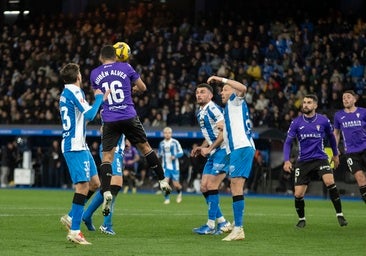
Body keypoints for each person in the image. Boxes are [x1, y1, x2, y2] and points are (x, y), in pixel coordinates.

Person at [90, 45, 171, 216]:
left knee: (107, 157)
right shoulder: (126, 67)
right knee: (145, 148)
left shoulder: (95, 73)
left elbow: (98, 96)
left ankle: (106, 192)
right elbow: (143, 88)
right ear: (117, 56)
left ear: (101, 57)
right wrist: (133, 89)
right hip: (128, 115)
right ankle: (162, 180)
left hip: (110, 119)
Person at [58, 62, 107, 245]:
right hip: (75, 146)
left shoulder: (65, 93)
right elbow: (89, 116)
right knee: (83, 187)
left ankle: (72, 217)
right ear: (78, 76)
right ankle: (75, 231)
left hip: (81, 145)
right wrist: (100, 99)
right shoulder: (75, 91)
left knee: (95, 183)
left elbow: (81, 118)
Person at [283, 94, 348, 228]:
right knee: (298, 194)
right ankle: (301, 219)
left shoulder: (323, 120)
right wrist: (286, 160)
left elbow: (331, 137)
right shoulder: (296, 122)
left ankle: (340, 215)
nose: (305, 105)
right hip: (303, 161)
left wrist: (335, 155)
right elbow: (288, 142)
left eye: (309, 102)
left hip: (320, 158)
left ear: (315, 105)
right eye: (304, 102)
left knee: (330, 181)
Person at [207, 75, 256, 241]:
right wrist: (210, 148)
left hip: (241, 148)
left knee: (236, 185)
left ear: (233, 91)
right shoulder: (229, 109)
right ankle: (236, 223)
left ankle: (238, 228)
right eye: (221, 90)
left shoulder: (236, 101)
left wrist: (221, 79)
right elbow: (225, 135)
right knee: (234, 185)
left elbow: (243, 88)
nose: (222, 92)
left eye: (225, 90)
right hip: (236, 150)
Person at [191, 83, 232, 235]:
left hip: (223, 150)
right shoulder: (200, 112)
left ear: (210, 96)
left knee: (211, 185)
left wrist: (210, 148)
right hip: (213, 151)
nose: (198, 95)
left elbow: (224, 132)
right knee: (204, 187)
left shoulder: (213, 109)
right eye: (197, 92)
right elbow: (210, 135)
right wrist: (201, 147)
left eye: (202, 92)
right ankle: (222, 222)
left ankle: (210, 225)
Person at [82, 131, 125, 236]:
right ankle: (106, 225)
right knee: (114, 185)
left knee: (110, 187)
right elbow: (104, 127)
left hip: (116, 148)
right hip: (112, 149)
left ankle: (87, 215)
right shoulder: (111, 115)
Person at [334, 90, 366, 203]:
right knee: (360, 178)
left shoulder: (363, 112)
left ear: (354, 99)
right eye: (343, 98)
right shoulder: (338, 115)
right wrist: (335, 148)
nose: (345, 99)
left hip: (365, 148)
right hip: (351, 152)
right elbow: (336, 133)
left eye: (348, 97)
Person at [158, 127, 184, 204]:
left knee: (176, 185)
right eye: (165, 133)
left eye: (169, 133)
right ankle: (167, 198)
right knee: (165, 183)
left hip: (175, 167)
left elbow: (181, 153)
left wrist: (175, 156)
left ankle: (179, 193)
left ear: (171, 133)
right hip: (165, 167)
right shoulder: (161, 143)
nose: (167, 134)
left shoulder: (175, 142)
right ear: (163, 134)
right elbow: (159, 154)